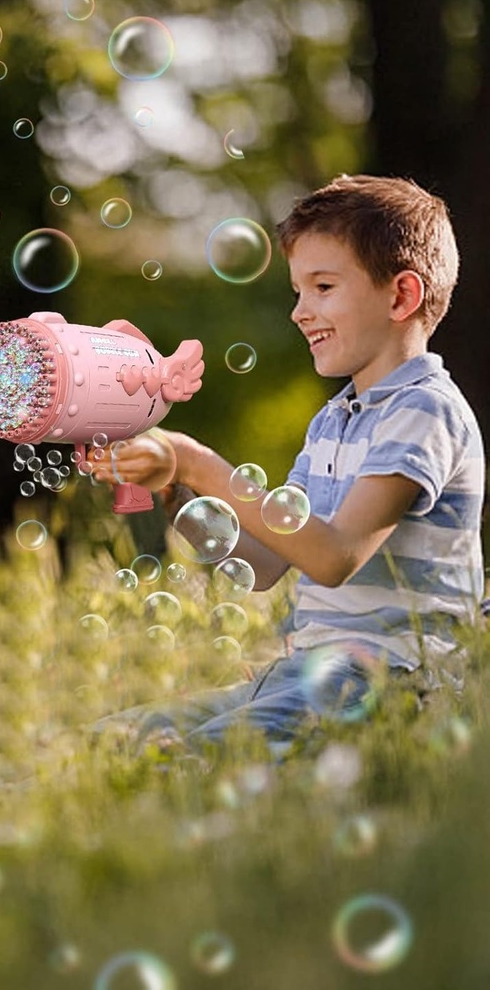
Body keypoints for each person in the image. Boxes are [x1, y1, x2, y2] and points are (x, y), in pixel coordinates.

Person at [94, 174, 486, 758]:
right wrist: (174, 487)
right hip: (308, 672)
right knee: (112, 741)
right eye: (297, 291)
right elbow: (267, 561)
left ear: (401, 296)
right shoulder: (335, 419)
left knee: (185, 758)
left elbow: (332, 557)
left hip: (395, 682)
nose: (300, 312)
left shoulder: (424, 410)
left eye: (323, 286)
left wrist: (198, 463)